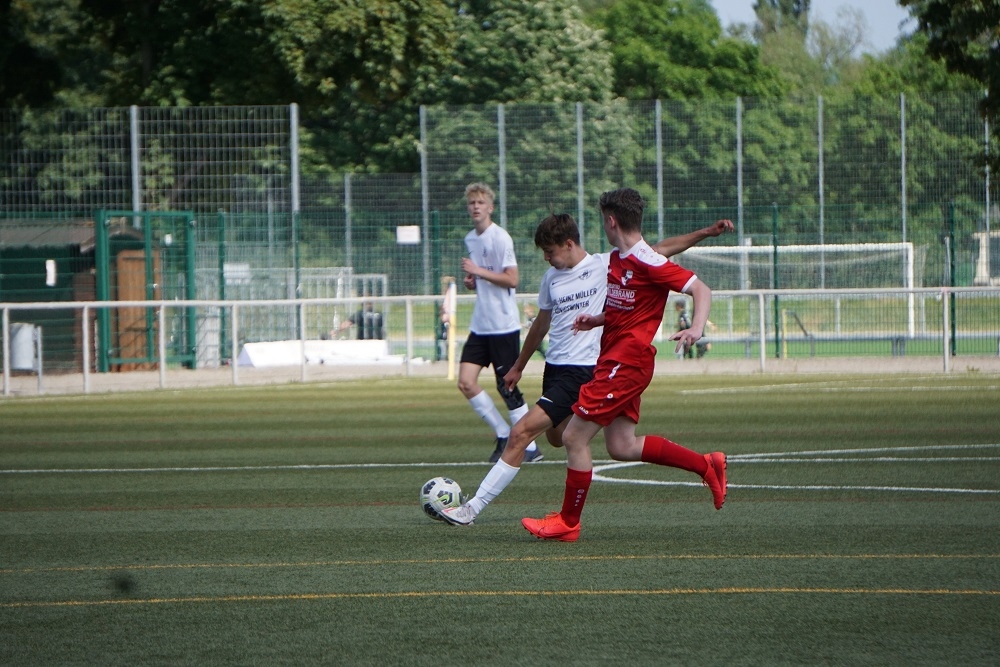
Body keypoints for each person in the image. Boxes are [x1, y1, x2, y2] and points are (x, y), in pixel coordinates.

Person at [438, 209, 733, 527]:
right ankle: (704, 464)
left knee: (523, 433)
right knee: (602, 443)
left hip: (586, 371)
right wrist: (519, 366)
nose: (547, 259)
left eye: (550, 252)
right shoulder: (550, 279)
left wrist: (705, 232)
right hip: (555, 370)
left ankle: (471, 510)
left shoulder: (604, 265)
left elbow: (659, 249)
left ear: (568, 244)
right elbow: (541, 324)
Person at [518, 188, 727, 542]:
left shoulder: (647, 261)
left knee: (573, 437)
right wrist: (597, 320)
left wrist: (696, 328)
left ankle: (568, 522)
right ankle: (706, 465)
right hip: (614, 359)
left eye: (603, 220)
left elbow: (701, 289)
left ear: (611, 221)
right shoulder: (617, 259)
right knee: (622, 446)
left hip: (626, 362)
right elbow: (626, 305)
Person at [457, 182, 542, 463]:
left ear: (490, 207)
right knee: (465, 382)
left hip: (503, 325)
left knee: (507, 386)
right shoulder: (471, 239)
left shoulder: (501, 237)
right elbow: (483, 278)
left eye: (480, 203)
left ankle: (530, 447)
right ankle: (504, 434)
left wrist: (478, 271)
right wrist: (473, 280)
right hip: (481, 325)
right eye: (472, 203)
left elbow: (512, 279)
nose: (476, 207)